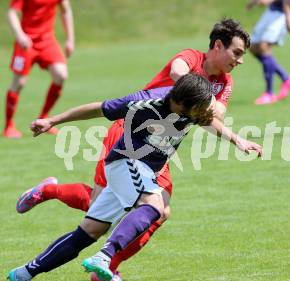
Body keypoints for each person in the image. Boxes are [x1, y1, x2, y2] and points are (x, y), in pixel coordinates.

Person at [13, 18, 252, 281]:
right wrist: (53, 120)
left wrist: (236, 139)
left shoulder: (220, 86)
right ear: (218, 45)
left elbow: (215, 113)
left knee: (104, 225)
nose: (239, 61)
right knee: (147, 205)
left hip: (155, 154)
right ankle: (100, 254)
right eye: (237, 53)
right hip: (129, 140)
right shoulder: (175, 76)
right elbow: (177, 72)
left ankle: (26, 273)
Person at [3, 0, 74, 138]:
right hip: (26, 41)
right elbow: (11, 12)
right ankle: (9, 126)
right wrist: (20, 35)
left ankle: (44, 119)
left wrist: (70, 39)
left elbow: (66, 10)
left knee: (61, 75)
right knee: (19, 83)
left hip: (47, 40)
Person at [247, 0, 290, 105]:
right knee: (252, 47)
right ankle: (286, 78)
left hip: (285, 13)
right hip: (272, 11)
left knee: (264, 47)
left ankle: (269, 93)